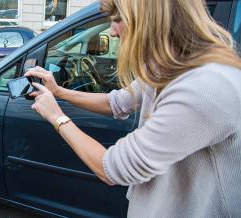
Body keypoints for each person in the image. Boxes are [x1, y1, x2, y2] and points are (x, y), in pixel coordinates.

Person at [26, 0, 241, 216]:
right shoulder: (171, 66)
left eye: (117, 19)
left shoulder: (204, 88)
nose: (111, 32)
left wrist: (57, 117)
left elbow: (111, 169)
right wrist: (59, 92)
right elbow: (117, 102)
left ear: (151, 20)